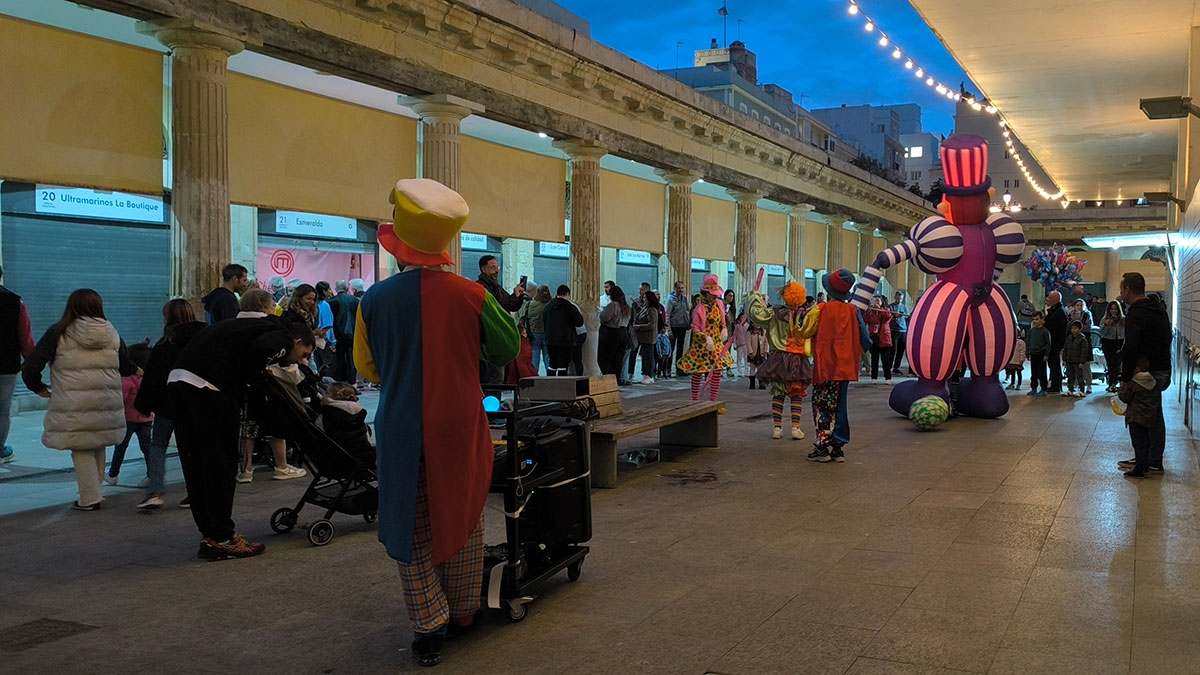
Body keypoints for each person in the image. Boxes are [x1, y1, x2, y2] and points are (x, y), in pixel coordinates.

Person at [355, 179, 519, 667]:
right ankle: (465, 610)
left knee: (412, 521)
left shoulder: (374, 299)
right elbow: (506, 350)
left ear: (401, 245)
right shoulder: (474, 295)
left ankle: (428, 623)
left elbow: (367, 367)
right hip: (462, 421)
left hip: (401, 423)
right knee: (463, 514)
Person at [169, 315, 314, 559]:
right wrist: (253, 380)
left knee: (197, 465)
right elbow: (260, 352)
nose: (299, 360)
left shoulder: (252, 326)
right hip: (211, 388)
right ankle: (224, 537)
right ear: (297, 340)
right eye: (302, 354)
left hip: (179, 381)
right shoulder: (281, 336)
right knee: (220, 463)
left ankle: (210, 534)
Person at [22, 289, 134, 510]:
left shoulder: (59, 332)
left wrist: (38, 387)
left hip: (74, 403)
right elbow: (126, 365)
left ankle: (90, 498)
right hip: (105, 399)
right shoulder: (111, 332)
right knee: (97, 441)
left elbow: (31, 366)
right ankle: (95, 492)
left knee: (81, 447)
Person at [134, 299, 207, 509]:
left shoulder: (165, 345)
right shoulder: (202, 340)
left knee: (158, 446)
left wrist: (143, 405)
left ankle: (155, 491)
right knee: (193, 449)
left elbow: (153, 379)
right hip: (196, 402)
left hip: (168, 404)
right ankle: (196, 492)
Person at [235, 290, 308, 483]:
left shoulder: (234, 324)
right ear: (265, 306)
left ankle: (246, 470)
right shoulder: (270, 325)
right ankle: (281, 465)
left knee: (247, 427)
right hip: (268, 381)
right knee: (277, 423)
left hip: (242, 382)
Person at [807, 270, 869, 462]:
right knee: (840, 405)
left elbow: (804, 331)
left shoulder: (821, 309)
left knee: (822, 404)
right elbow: (866, 340)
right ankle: (837, 447)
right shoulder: (854, 310)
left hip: (825, 365)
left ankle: (823, 447)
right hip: (845, 366)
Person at [1115, 272, 1171, 476]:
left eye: (1122, 289)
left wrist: (1126, 376)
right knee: (1153, 412)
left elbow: (1131, 346)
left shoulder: (1137, 313)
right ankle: (1146, 457)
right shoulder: (1157, 308)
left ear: (1128, 289)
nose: (1121, 293)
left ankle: (1151, 461)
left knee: (1146, 417)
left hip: (1148, 372)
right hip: (1162, 368)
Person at [748, 281, 816, 440]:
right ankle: (795, 427)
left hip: (778, 358)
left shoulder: (776, 312)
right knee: (796, 394)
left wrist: (754, 296)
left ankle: (777, 428)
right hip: (798, 359)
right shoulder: (805, 315)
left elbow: (756, 315)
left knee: (778, 393)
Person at [677, 275, 733, 404]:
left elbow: (722, 322)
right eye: (712, 294)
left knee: (717, 371)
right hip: (702, 345)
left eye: (716, 294)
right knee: (698, 373)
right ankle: (695, 401)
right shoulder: (699, 309)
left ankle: (713, 401)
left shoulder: (719, 305)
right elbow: (695, 327)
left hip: (716, 343)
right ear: (706, 293)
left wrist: (724, 329)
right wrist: (705, 337)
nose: (715, 296)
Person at [104, 343, 153, 486]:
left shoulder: (127, 380)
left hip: (128, 419)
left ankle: (113, 474)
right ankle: (152, 475)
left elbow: (120, 399)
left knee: (121, 447)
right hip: (146, 417)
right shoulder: (149, 378)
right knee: (147, 447)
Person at [0, 266, 35, 464]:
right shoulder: (15, 302)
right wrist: (33, 361)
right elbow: (25, 336)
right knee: (2, 408)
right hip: (5, 365)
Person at [1117, 356, 1163, 478]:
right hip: (1150, 418)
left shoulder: (1134, 383)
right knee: (1146, 443)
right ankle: (1146, 465)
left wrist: (1121, 387)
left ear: (1136, 369)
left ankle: (1139, 468)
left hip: (1136, 418)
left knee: (1138, 444)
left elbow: (1125, 397)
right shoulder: (1154, 382)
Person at [317, 381, 375, 471]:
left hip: (336, 463)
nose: (323, 394)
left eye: (326, 392)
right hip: (365, 461)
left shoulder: (325, 415)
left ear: (330, 398)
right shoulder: (358, 414)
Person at [542, 285, 584, 377]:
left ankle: (549, 385)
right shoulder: (570, 307)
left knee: (552, 365)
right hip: (566, 340)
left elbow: (544, 321)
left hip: (551, 340)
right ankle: (561, 387)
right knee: (563, 366)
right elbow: (579, 322)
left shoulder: (548, 307)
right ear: (567, 294)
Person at [329, 280, 361, 383]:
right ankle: (352, 381)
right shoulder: (355, 300)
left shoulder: (331, 301)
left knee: (340, 359)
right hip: (353, 333)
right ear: (347, 288)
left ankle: (342, 381)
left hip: (337, 334)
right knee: (352, 358)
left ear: (336, 289)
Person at [598, 285, 632, 382]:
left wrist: (601, 312)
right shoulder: (626, 307)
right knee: (617, 359)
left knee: (604, 358)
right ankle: (615, 380)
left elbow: (604, 318)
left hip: (611, 333)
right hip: (623, 333)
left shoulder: (613, 305)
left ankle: (609, 380)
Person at [518, 285, 551, 375]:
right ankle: (550, 379)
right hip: (548, 334)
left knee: (534, 359)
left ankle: (534, 378)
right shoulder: (550, 305)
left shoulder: (531, 304)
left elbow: (523, 317)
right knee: (548, 358)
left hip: (534, 334)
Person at [632, 290, 661, 384]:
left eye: (645, 298)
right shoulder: (646, 308)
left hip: (648, 337)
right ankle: (646, 374)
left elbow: (652, 325)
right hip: (644, 337)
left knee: (649, 356)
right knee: (645, 355)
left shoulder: (652, 310)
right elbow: (641, 313)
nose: (643, 299)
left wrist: (639, 327)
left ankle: (649, 374)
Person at [864, 295, 894, 385]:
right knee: (874, 359)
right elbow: (866, 319)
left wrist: (880, 309)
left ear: (881, 302)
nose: (876, 303)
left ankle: (888, 377)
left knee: (885, 360)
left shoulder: (886, 310)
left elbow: (888, 317)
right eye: (875, 301)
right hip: (874, 337)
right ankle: (874, 377)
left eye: (878, 301)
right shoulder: (870, 312)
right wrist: (869, 310)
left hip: (884, 338)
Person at [1044, 291, 1068, 393]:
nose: (1048, 300)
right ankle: (1054, 383)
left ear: (1054, 300)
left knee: (1054, 363)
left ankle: (1056, 385)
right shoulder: (1055, 310)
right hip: (1053, 341)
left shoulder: (1059, 312)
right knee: (1052, 363)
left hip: (1055, 341)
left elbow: (1053, 326)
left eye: (1049, 298)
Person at [312, 281, 337, 377]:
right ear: (324, 291)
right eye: (329, 289)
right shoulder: (324, 305)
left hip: (316, 340)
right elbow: (328, 325)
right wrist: (333, 342)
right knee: (327, 367)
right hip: (325, 340)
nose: (331, 291)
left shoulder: (315, 304)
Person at [1099, 301, 1125, 393]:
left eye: (1115, 309)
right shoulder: (1104, 319)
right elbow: (1102, 333)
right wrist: (1106, 325)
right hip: (1108, 342)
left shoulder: (1123, 319)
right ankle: (1111, 384)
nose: (1114, 311)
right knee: (1110, 364)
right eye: (1112, 309)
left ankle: (1114, 382)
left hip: (1119, 343)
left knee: (1116, 363)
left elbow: (1125, 333)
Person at [666, 281, 691, 377]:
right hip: (673, 326)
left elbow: (687, 310)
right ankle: (667, 369)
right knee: (671, 349)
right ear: (675, 288)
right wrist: (669, 330)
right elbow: (667, 315)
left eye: (682, 288)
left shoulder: (684, 298)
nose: (681, 290)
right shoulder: (670, 300)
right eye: (679, 288)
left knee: (680, 349)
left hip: (682, 327)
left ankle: (679, 368)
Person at [1062, 320, 1092, 398]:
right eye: (1072, 328)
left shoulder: (1082, 339)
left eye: (1075, 328)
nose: (1073, 330)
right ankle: (1070, 389)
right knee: (1070, 375)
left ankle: (1082, 390)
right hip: (1069, 360)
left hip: (1077, 361)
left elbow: (1084, 351)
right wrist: (1064, 359)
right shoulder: (1069, 338)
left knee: (1079, 376)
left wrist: (1082, 362)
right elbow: (1065, 348)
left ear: (1080, 329)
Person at [1024, 312, 1051, 397]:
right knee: (1034, 372)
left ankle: (1043, 388)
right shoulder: (1031, 331)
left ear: (1042, 320)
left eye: (1037, 319)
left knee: (1042, 372)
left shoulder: (1045, 331)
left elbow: (1048, 343)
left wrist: (1046, 354)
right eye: (1033, 319)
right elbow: (1027, 342)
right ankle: (1034, 388)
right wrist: (1027, 353)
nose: (1035, 321)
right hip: (1033, 353)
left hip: (1041, 354)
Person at [744, 320, 769, 390]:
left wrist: (766, 351)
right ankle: (752, 383)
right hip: (753, 353)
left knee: (760, 368)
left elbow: (766, 342)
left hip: (761, 353)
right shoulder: (749, 333)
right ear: (752, 324)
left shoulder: (763, 332)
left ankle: (761, 383)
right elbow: (748, 343)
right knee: (752, 368)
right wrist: (750, 352)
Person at [889, 291, 909, 377]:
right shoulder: (890, 306)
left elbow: (907, 316)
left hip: (903, 330)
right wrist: (894, 316)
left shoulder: (904, 307)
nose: (899, 300)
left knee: (900, 351)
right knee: (893, 349)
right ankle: (889, 366)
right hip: (894, 330)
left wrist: (902, 316)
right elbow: (888, 315)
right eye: (897, 298)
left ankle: (896, 367)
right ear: (895, 297)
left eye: (900, 299)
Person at [722, 289, 737, 378]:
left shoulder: (732, 307)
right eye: (729, 296)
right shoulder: (722, 306)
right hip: (722, 331)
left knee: (728, 352)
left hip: (730, 332)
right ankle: (719, 369)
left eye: (732, 296)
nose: (731, 298)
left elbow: (732, 320)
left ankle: (728, 368)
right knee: (721, 351)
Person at [732, 310, 749, 377]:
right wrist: (734, 344)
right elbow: (734, 335)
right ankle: (739, 371)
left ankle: (746, 371)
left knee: (746, 358)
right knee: (739, 358)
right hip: (739, 344)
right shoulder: (737, 326)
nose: (742, 319)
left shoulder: (748, 326)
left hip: (746, 344)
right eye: (741, 317)